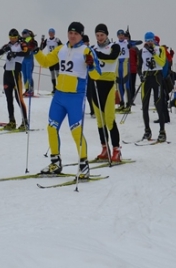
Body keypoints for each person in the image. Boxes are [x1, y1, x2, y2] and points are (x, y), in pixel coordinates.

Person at [29, 22, 101, 179]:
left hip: (75, 96)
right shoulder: (60, 48)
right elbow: (46, 62)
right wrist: (35, 50)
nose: (72, 36)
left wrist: (91, 66)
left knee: (76, 131)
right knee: (51, 128)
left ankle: (83, 165)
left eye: (76, 33)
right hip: (59, 96)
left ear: (81, 35)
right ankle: (55, 162)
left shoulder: (86, 50)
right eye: (70, 33)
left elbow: (97, 76)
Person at [88, 24, 123, 162]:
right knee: (100, 121)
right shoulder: (92, 49)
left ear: (107, 35)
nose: (100, 38)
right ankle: (104, 149)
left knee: (109, 119)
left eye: (102, 35)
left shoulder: (114, 46)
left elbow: (112, 58)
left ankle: (116, 150)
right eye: (97, 35)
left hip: (108, 85)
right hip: (95, 85)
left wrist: (95, 55)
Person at [0, 29, 29, 130]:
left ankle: (25, 122)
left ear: (17, 37)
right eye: (11, 38)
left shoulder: (21, 44)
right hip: (7, 74)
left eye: (14, 38)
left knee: (18, 98)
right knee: (9, 99)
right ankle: (11, 121)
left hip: (16, 73)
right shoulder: (8, 45)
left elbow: (27, 53)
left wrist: (15, 54)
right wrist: (0, 51)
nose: (12, 40)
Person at [139, 32, 169, 142]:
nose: (149, 43)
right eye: (147, 41)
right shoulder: (141, 51)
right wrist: (140, 75)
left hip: (157, 78)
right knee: (145, 105)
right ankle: (147, 131)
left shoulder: (160, 49)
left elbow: (161, 63)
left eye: (151, 40)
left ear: (154, 40)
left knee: (158, 104)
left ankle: (162, 131)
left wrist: (153, 53)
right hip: (147, 78)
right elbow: (139, 66)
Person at [40, 28, 62, 94]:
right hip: (50, 59)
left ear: (54, 33)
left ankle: (59, 87)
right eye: (50, 32)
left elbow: (62, 47)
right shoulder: (47, 40)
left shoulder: (57, 40)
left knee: (57, 73)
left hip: (56, 59)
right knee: (52, 74)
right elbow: (41, 48)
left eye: (52, 32)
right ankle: (54, 88)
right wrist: (42, 41)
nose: (51, 34)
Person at [21, 29, 36, 96]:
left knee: (29, 75)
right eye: (23, 34)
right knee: (24, 75)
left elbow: (35, 45)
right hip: (23, 59)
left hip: (29, 59)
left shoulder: (31, 40)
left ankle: (31, 89)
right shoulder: (22, 40)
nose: (23, 35)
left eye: (25, 33)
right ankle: (27, 89)